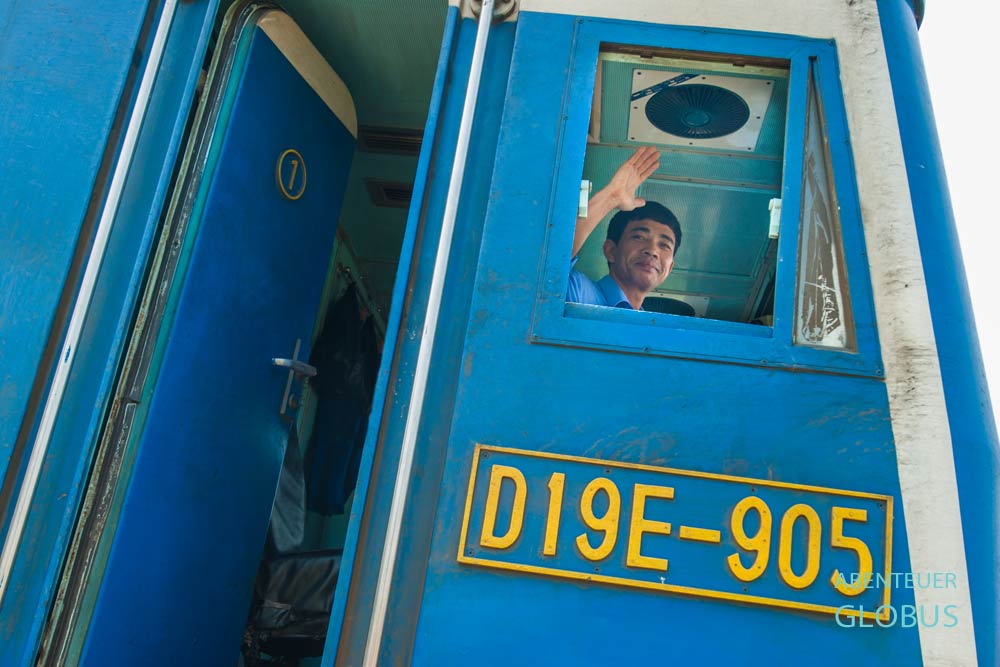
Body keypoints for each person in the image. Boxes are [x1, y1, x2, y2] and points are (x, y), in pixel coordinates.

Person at [567, 146, 682, 310]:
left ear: (669, 268)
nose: (652, 251)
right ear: (611, 251)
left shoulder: (647, 329)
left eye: (664, 245)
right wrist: (611, 197)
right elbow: (547, 263)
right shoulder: (578, 291)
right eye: (639, 237)